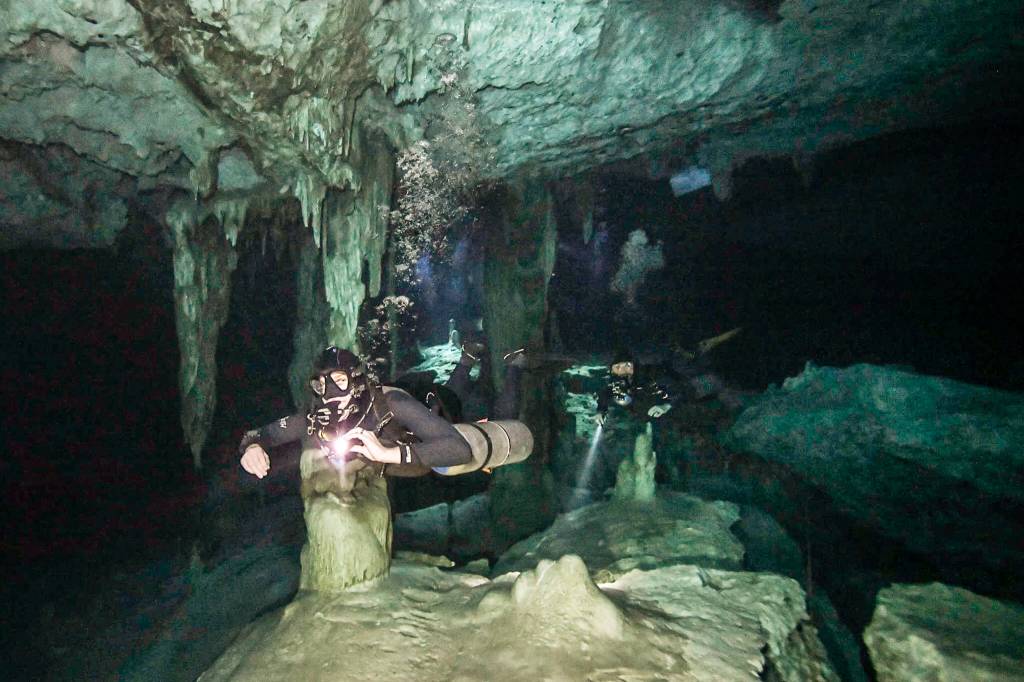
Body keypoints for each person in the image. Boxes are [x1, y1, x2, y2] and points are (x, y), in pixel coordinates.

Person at [239, 345, 526, 481]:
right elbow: (263, 433)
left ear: (357, 381)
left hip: (432, 418)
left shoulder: (392, 404)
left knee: (454, 398)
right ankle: (467, 360)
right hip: (410, 453)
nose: (331, 395)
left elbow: (460, 450)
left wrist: (390, 455)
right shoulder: (318, 419)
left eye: (340, 382)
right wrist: (251, 446)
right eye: (321, 385)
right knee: (452, 390)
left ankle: (514, 366)